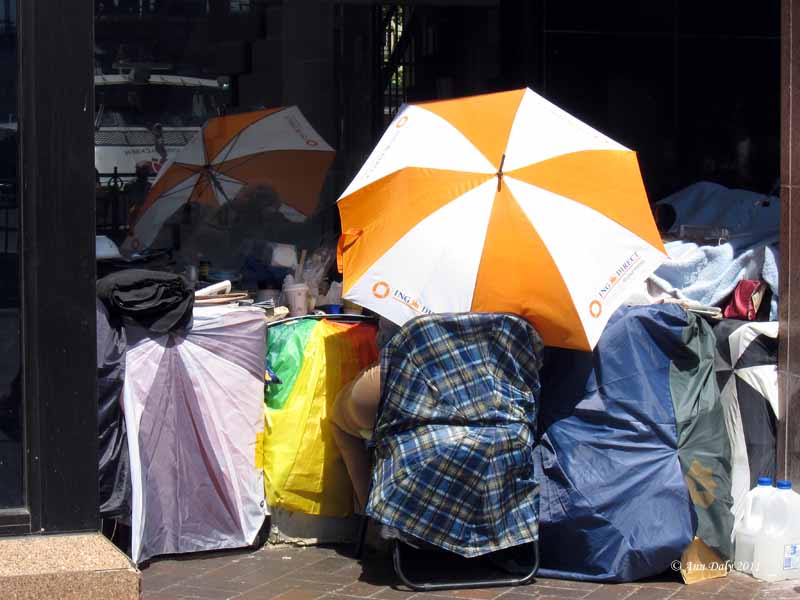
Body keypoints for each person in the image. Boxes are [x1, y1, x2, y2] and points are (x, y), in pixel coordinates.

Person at [329, 317, 399, 512]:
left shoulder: (401, 301)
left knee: (338, 419)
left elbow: (383, 341)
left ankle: (370, 510)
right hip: (452, 392)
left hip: (391, 381)